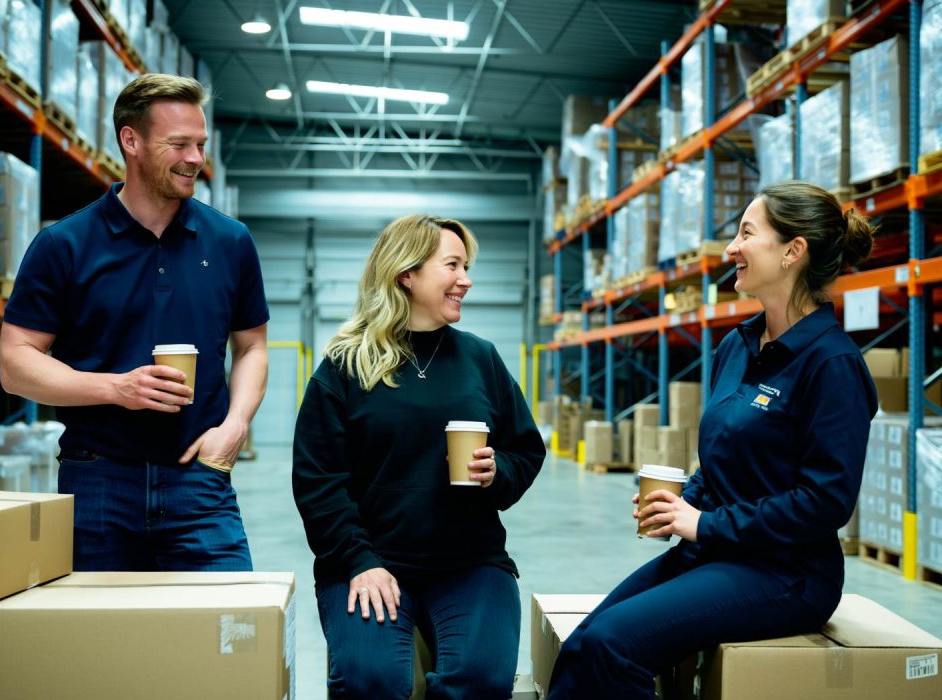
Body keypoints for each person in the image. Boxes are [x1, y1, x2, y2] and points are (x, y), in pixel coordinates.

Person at [548, 181, 878, 698]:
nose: (730, 249)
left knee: (612, 647)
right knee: (582, 645)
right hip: (718, 551)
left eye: (747, 233)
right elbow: (721, 461)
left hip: (786, 572)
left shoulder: (831, 364)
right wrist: (680, 503)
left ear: (792, 251)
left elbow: (824, 503)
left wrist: (703, 523)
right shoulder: (737, 345)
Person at [0, 74, 269, 571]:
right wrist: (116, 389)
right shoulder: (65, 244)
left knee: (227, 637)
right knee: (101, 643)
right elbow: (16, 363)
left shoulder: (230, 242)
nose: (195, 158)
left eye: (201, 145)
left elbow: (252, 347)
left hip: (200, 476)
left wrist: (235, 426)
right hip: (98, 479)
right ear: (131, 141)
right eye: (179, 144)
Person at [293, 214, 546, 699]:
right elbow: (317, 479)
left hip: (470, 562)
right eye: (452, 265)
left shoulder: (481, 358)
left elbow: (525, 449)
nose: (466, 280)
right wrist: (358, 560)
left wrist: (498, 471)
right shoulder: (346, 365)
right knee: (372, 681)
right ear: (406, 273)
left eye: (467, 266)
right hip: (370, 559)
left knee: (481, 679)